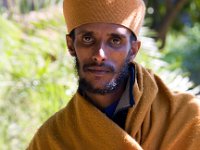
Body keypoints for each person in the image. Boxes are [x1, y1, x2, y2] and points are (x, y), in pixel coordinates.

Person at [27, 0, 200, 149]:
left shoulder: (187, 118)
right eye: (88, 38)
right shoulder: (50, 139)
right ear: (71, 45)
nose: (100, 54)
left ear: (133, 50)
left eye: (115, 40)